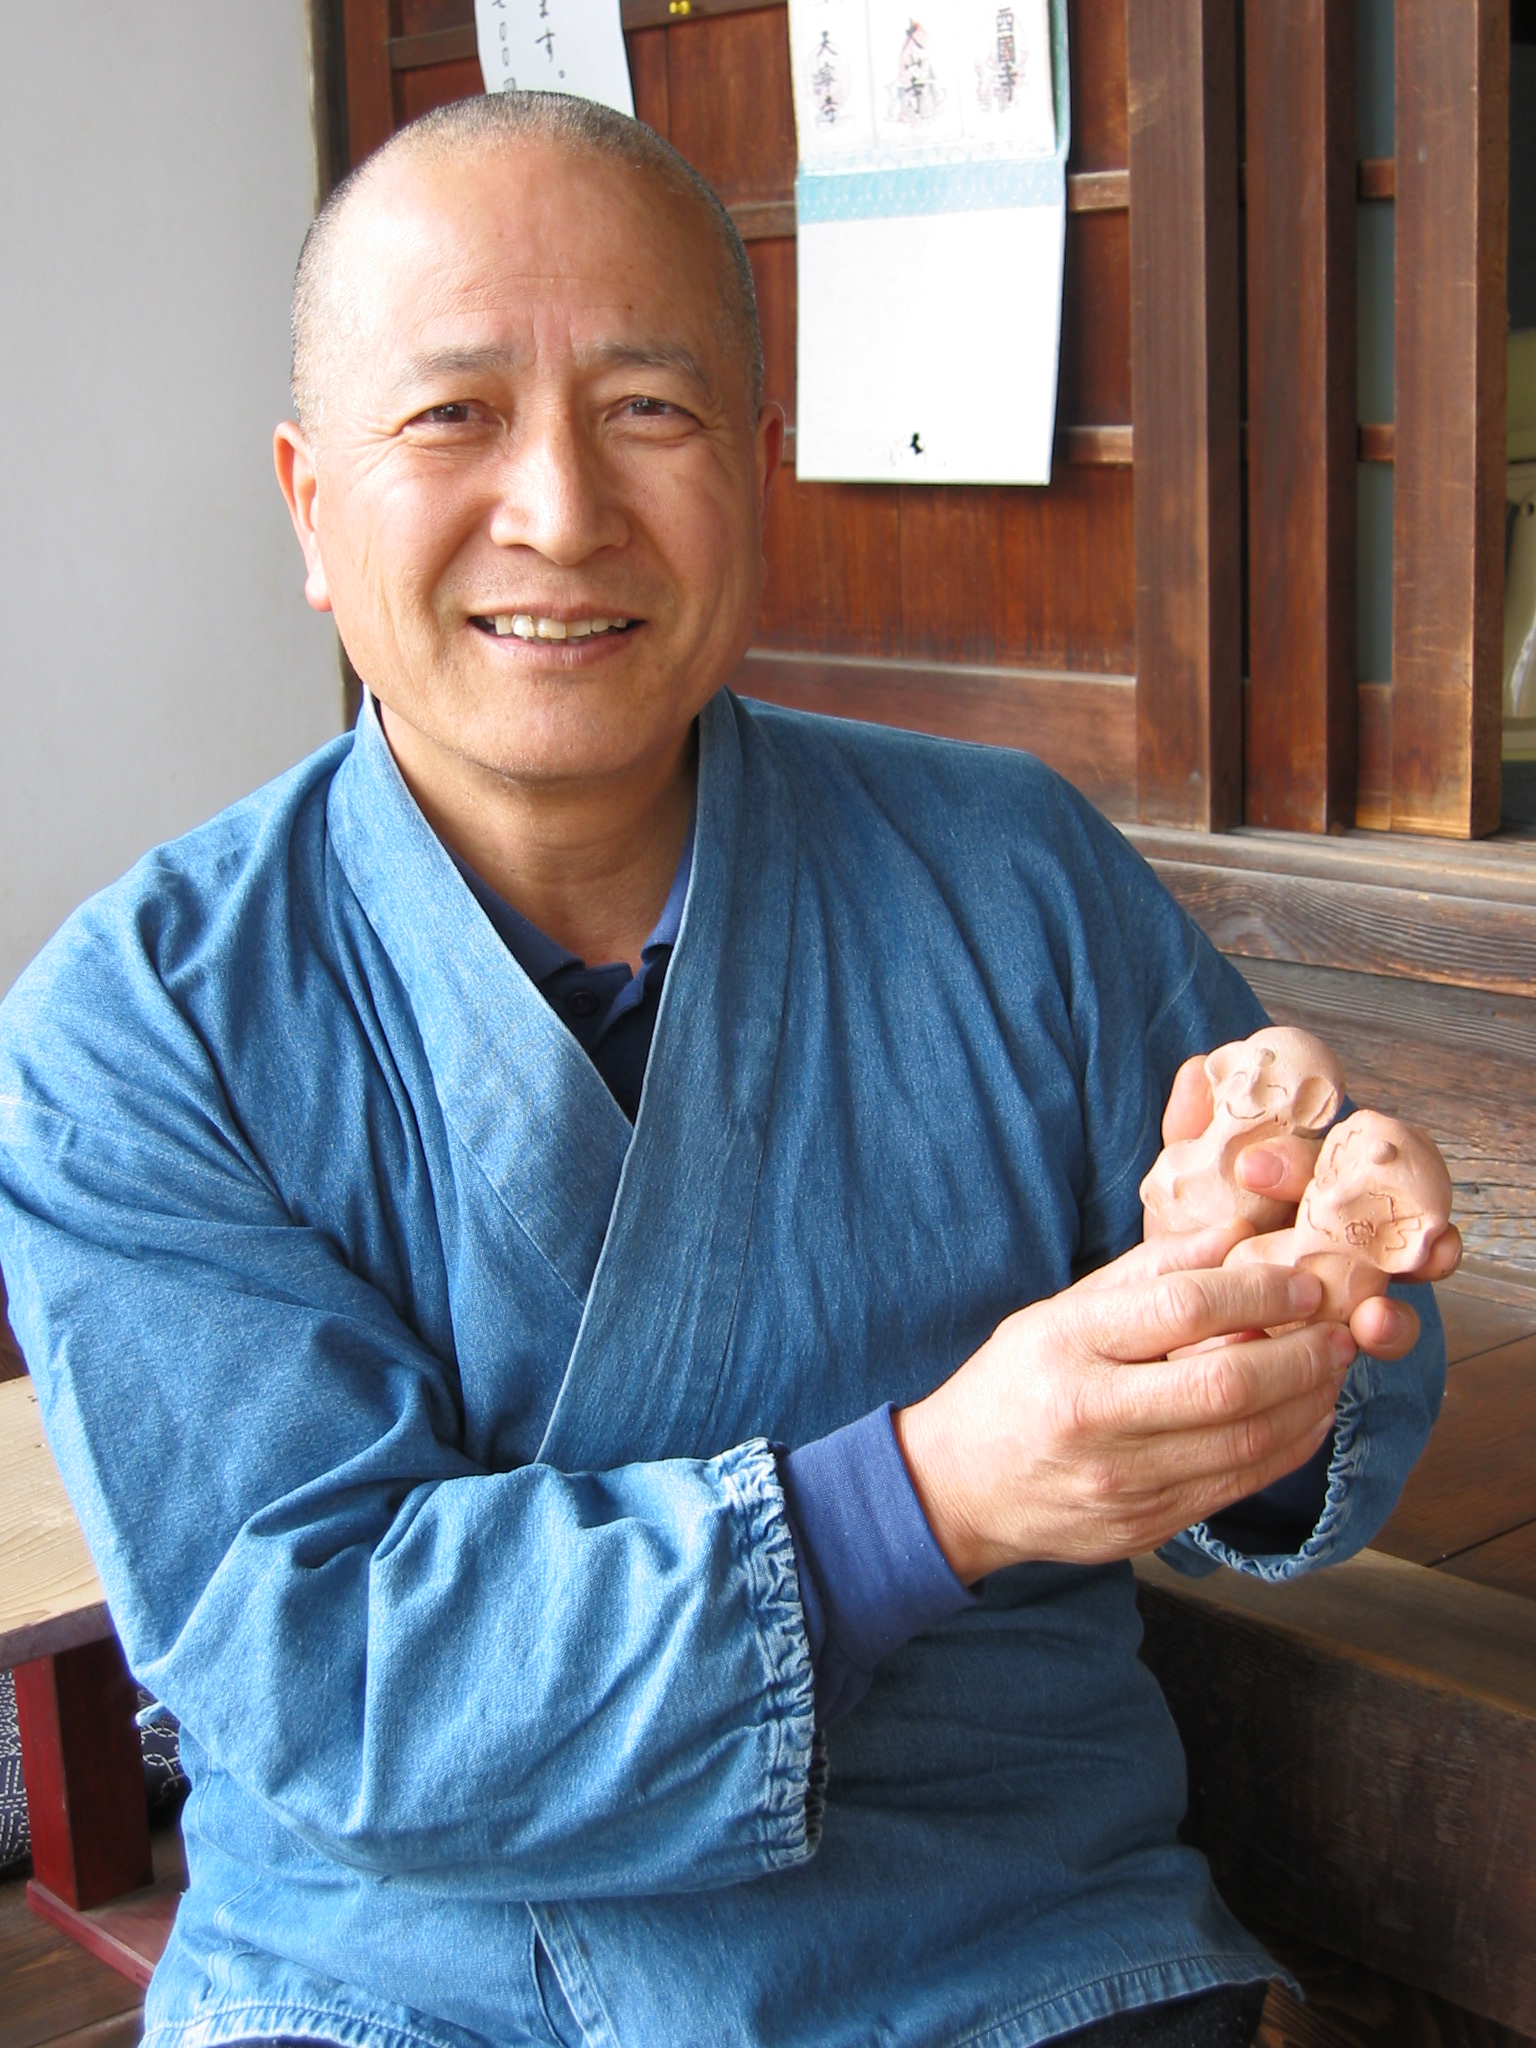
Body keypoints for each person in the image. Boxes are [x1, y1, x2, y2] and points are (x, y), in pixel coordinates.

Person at [0, 92, 1457, 2048]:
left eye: (648, 408)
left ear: (758, 469)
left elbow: (1310, 1391)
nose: (560, 510)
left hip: (1011, 1957)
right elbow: (325, 1674)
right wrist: (935, 1494)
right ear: (308, 505)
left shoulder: (1014, 879)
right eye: (452, 415)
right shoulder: (136, 1028)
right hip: (399, 1988)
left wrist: (1283, 1301)